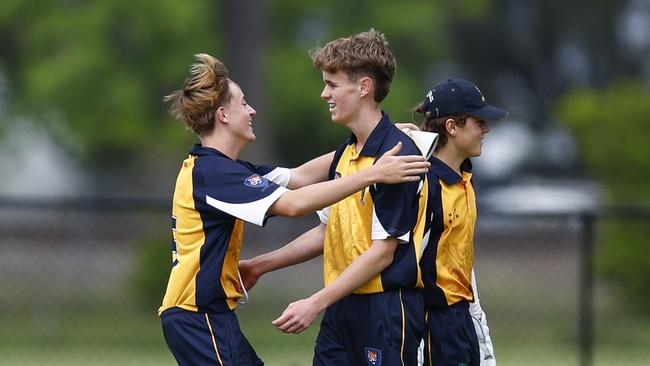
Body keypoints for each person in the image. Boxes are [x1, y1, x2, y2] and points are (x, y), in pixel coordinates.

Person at [158, 53, 430, 366]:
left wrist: (377, 139)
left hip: (207, 313)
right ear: (222, 115)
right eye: (243, 103)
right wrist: (372, 173)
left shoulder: (222, 169)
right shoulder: (214, 174)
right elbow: (293, 203)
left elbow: (298, 176)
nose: (252, 110)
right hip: (196, 315)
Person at [239, 29, 429, 365]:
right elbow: (328, 232)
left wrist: (315, 302)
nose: (324, 93)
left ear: (364, 87)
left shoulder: (396, 156)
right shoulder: (347, 154)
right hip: (342, 309)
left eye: (332, 84)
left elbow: (383, 253)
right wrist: (260, 266)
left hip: (384, 311)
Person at [414, 78, 507, 366]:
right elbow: (406, 260)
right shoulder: (424, 184)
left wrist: (478, 324)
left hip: (460, 319)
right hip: (431, 324)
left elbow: (461, 259)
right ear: (452, 127)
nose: (486, 129)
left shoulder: (465, 178)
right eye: (478, 122)